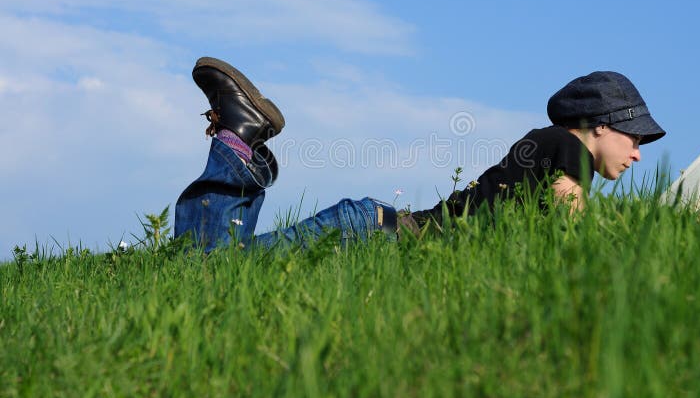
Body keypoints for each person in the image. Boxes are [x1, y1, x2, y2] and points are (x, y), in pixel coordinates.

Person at [174, 58, 665, 251]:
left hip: (374, 228)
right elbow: (569, 220)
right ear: (601, 125)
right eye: (635, 139)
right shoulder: (569, 147)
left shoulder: (547, 143)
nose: (638, 155)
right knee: (208, 273)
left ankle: (241, 140)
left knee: (212, 272)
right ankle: (238, 134)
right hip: (380, 238)